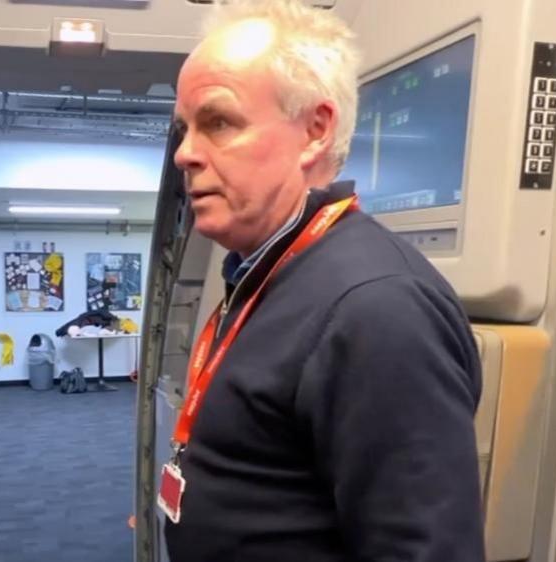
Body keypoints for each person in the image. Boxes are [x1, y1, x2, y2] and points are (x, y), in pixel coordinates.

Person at [161, 1, 486, 561]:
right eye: (184, 129)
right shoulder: (268, 269)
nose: (186, 154)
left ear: (315, 130)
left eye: (218, 122)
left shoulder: (375, 308)